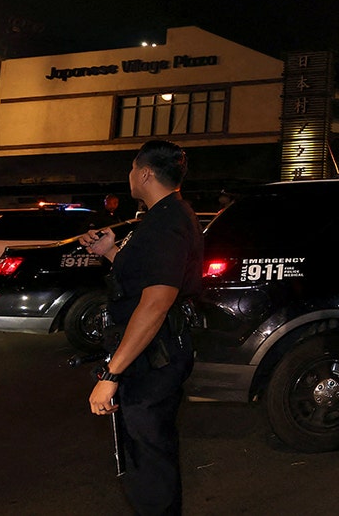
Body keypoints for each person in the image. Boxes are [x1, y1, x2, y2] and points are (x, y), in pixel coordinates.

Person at [79, 140, 203, 515]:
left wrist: (111, 373)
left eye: (132, 169)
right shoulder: (166, 217)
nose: (129, 176)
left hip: (154, 359)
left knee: (149, 457)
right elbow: (149, 280)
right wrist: (112, 253)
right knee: (145, 452)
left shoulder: (166, 222)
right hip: (156, 353)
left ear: (146, 173)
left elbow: (156, 302)